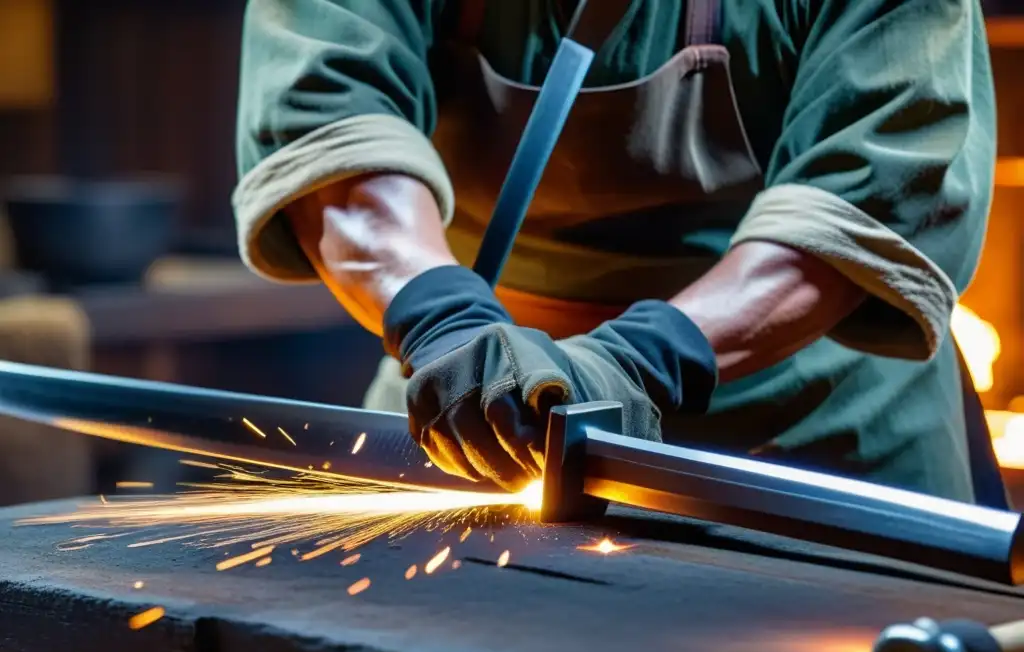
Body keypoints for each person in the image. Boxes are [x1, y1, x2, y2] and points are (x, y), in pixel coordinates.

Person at [233, 0, 1004, 504]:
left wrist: (640, 360)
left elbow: (864, 202)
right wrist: (448, 324)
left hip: (805, 434)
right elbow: (329, 134)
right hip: (467, 403)